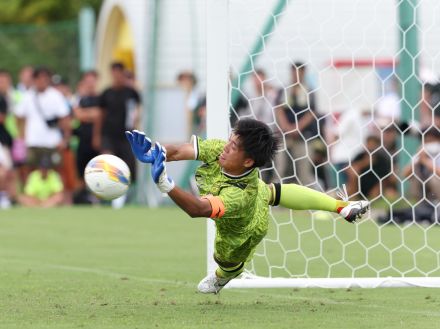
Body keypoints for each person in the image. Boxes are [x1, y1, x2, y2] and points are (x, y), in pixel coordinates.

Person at [125, 118, 369, 294]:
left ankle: (223, 277)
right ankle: (341, 206)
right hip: (252, 191)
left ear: (249, 161)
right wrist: (153, 150)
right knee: (271, 191)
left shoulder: (239, 196)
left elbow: (198, 210)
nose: (226, 147)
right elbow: (179, 151)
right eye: (230, 141)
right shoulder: (224, 150)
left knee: (224, 260)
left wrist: (165, 184)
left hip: (244, 229)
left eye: (233, 147)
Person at [98, 62, 141, 207]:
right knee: (108, 163)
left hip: (126, 136)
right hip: (109, 135)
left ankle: (122, 195)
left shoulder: (131, 93)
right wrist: (97, 135)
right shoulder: (106, 94)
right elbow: (101, 116)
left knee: (127, 165)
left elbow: (137, 112)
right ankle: (107, 194)